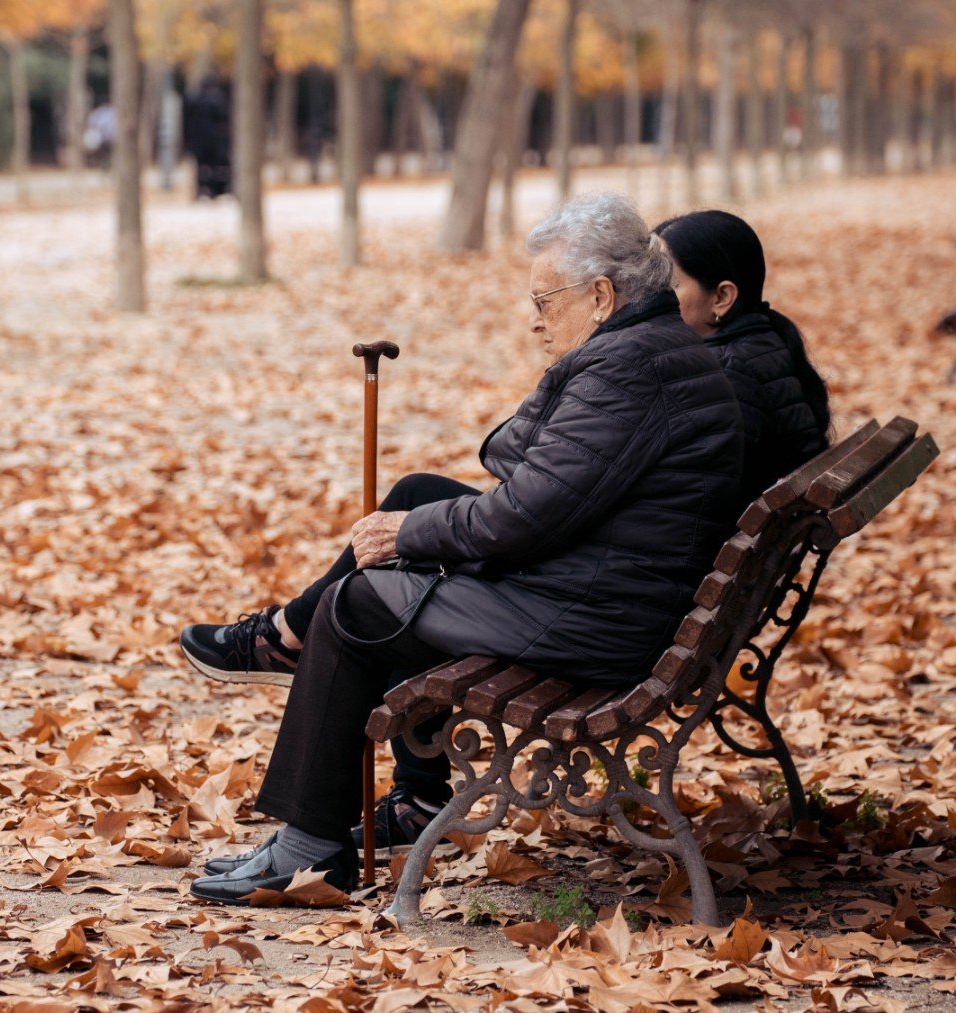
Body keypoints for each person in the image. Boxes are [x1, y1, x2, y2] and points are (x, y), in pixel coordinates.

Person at [180, 192, 745, 902]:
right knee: (418, 494)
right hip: (611, 588)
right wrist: (431, 515)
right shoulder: (647, 349)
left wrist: (408, 536)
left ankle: (308, 847)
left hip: (596, 616)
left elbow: (526, 513)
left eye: (546, 298)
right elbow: (511, 453)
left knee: (359, 604)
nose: (535, 317)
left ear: (601, 294)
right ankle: (290, 648)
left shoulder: (626, 369)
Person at [654, 210, 830, 506]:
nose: (648, 297)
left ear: (722, 297)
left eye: (667, 284)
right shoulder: (763, 345)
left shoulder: (724, 376)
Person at [183, 76, 232, 200]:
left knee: (202, 166)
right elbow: (223, 120)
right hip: (215, 141)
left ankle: (203, 189)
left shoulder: (194, 100)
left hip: (199, 141)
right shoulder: (218, 100)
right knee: (217, 167)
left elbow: (187, 122)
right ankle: (217, 189)